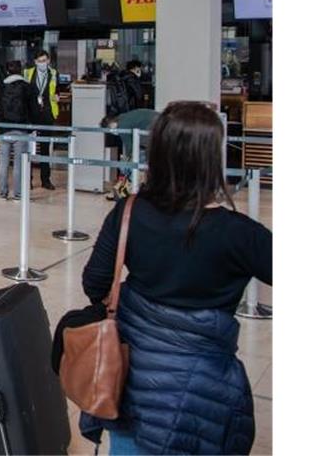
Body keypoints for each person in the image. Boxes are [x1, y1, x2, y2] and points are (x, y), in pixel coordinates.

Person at [78, 102, 271, 454]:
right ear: (212, 159)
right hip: (202, 392)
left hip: (130, 382)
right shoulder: (240, 234)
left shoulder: (129, 211)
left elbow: (94, 283)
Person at [0, 60, 34, 201]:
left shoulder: (2, 87)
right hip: (21, 130)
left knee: (3, 163)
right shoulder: (27, 87)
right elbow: (32, 108)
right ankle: (18, 193)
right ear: (20, 70)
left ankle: (3, 192)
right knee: (18, 164)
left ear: (8, 71)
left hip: (4, 130)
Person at [24, 50, 59, 190]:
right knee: (30, 148)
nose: (42, 63)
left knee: (45, 148)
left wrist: (56, 96)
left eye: (44, 60)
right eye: (39, 61)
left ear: (49, 61)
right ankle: (29, 179)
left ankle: (46, 179)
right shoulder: (28, 73)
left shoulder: (54, 74)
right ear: (35, 62)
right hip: (31, 114)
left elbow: (57, 90)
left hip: (47, 114)